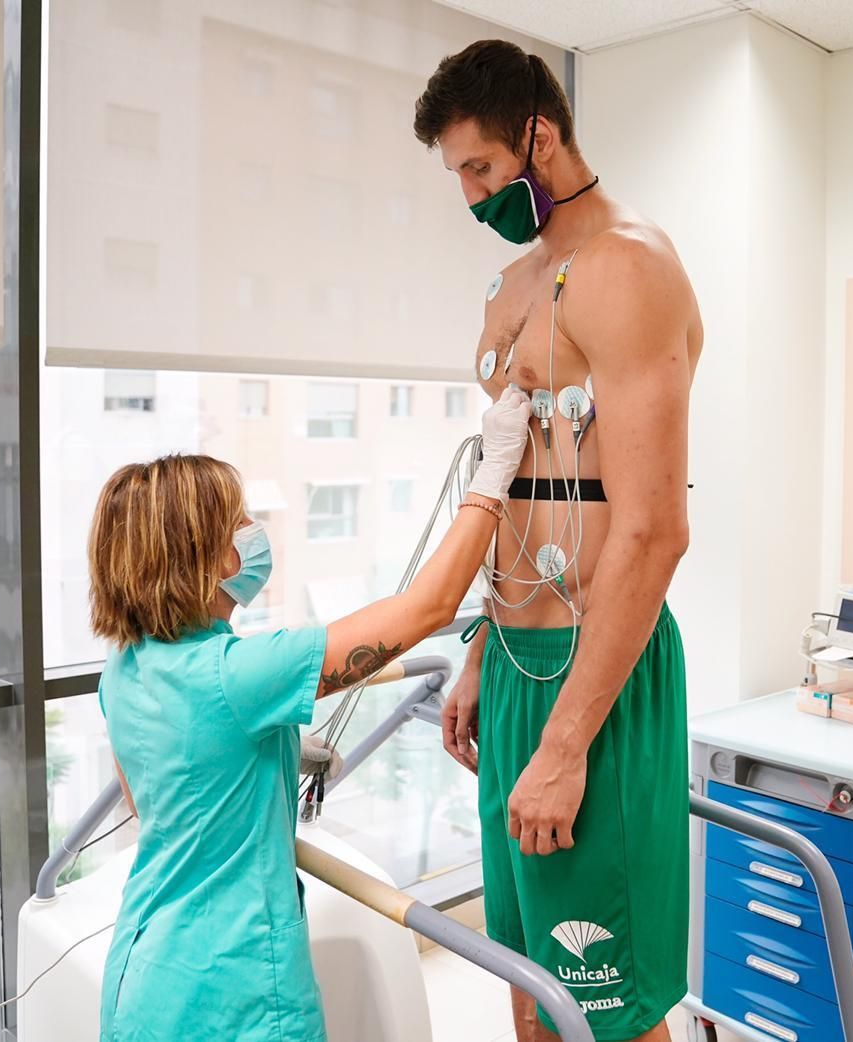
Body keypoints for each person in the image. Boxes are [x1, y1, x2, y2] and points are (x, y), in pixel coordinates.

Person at [414, 40, 704, 1042]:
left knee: (605, 1001)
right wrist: (481, 651)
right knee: (531, 979)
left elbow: (654, 529)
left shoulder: (628, 269)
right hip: (515, 659)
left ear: (539, 136)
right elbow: (519, 484)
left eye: (482, 168)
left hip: (597, 672)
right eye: (457, 174)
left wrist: (568, 739)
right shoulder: (515, 285)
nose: (471, 197)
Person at [91, 388, 531, 1042]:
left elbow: (159, 796)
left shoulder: (126, 668)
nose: (254, 532)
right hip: (229, 992)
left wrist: (271, 749)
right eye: (239, 521)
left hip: (143, 974)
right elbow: (428, 609)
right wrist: (495, 473)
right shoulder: (238, 672)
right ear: (203, 554)